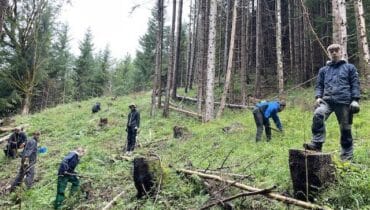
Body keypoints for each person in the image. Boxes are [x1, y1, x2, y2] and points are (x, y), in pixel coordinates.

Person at [303, 44, 360, 161]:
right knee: (318, 113)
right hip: (327, 101)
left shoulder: (350, 68)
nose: (334, 53)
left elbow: (355, 84)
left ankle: (347, 157)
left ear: (341, 52)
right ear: (328, 54)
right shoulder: (324, 70)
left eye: (336, 50)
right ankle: (317, 144)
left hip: (345, 102)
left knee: (345, 129)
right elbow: (319, 85)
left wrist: (355, 100)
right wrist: (318, 97)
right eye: (331, 51)